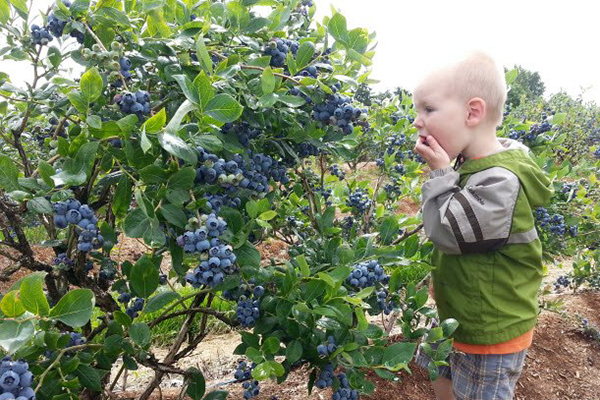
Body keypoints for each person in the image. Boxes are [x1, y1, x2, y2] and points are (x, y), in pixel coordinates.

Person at [411, 50, 555, 400]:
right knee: (436, 369)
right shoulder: (474, 164)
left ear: (472, 112)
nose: (417, 121)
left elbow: (446, 232)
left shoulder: (500, 181)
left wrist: (442, 175)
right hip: (458, 314)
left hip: (488, 328)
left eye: (428, 109)